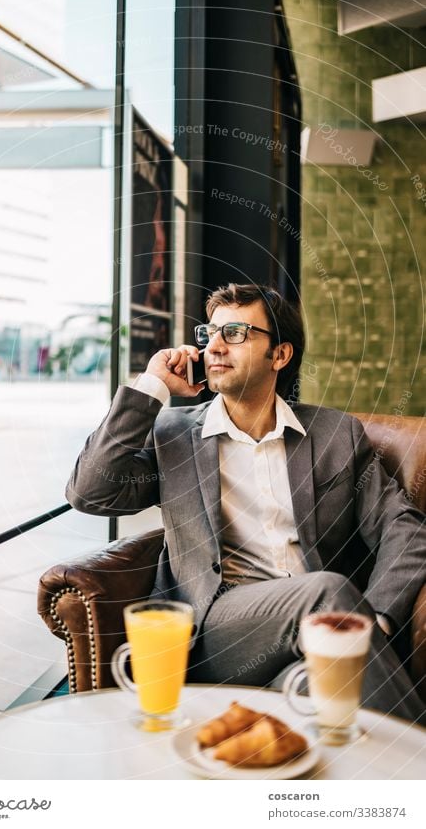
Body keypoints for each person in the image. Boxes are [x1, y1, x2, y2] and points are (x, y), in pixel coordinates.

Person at [67, 283, 426, 723]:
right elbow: (89, 491)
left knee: (314, 691)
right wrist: (152, 387)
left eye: (235, 333)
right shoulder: (173, 436)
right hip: (216, 633)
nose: (214, 346)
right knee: (325, 591)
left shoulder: (336, 435)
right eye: (210, 333)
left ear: (279, 355)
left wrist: (376, 625)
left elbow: (404, 529)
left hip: (308, 637)